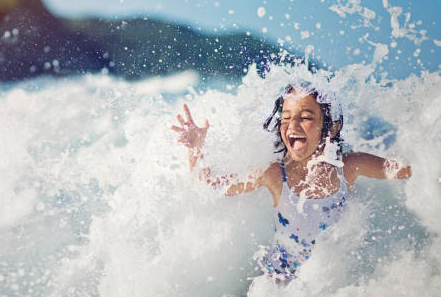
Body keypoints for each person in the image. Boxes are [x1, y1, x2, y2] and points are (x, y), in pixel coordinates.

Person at [171, 82, 412, 283]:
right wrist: (195, 150)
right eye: (286, 118)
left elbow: (409, 170)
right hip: (274, 286)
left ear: (331, 128)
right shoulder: (275, 173)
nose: (293, 125)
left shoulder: (348, 166)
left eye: (306, 117)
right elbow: (209, 187)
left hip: (326, 282)